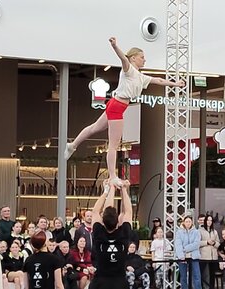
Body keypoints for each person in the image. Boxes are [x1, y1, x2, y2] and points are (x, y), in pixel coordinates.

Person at [64, 37, 184, 187]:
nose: (144, 60)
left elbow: (158, 80)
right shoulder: (129, 69)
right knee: (114, 144)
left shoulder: (140, 77)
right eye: (142, 57)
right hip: (117, 106)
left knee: (95, 127)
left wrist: (175, 84)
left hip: (116, 104)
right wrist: (115, 46)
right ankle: (113, 176)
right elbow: (122, 58)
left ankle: (72, 145)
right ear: (134, 58)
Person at [89, 179, 133, 289]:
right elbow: (127, 212)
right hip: (120, 283)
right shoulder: (123, 233)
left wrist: (107, 190)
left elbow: (95, 211)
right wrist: (123, 190)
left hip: (100, 283)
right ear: (118, 222)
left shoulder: (99, 233)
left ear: (102, 222)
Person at [175, 216, 201, 289]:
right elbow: (178, 244)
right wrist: (181, 256)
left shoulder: (196, 232)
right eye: (186, 221)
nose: (188, 223)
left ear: (192, 222)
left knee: (197, 276)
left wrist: (185, 248)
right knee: (183, 276)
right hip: (182, 257)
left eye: (189, 221)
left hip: (194, 256)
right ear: (184, 222)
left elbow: (196, 244)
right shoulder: (179, 232)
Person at [199, 214, 220, 289]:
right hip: (203, 256)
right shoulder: (200, 231)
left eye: (211, 220)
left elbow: (218, 243)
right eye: (208, 220)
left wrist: (214, 243)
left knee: (212, 274)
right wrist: (206, 242)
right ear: (205, 221)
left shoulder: (215, 231)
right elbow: (197, 243)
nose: (209, 222)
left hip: (213, 256)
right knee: (203, 274)